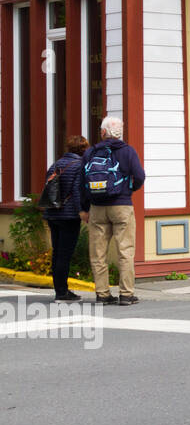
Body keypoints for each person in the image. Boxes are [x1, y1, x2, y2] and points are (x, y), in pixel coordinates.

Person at [80, 117, 146, 306]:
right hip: (121, 205)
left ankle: (102, 294)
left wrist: (84, 209)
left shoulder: (91, 152)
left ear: (102, 133)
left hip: (97, 208)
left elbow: (81, 182)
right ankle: (126, 294)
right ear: (120, 133)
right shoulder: (128, 151)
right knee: (125, 251)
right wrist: (129, 189)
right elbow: (140, 176)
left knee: (98, 253)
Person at [44, 135, 89, 302]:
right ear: (83, 149)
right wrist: (81, 211)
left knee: (57, 253)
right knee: (65, 254)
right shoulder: (79, 165)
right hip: (69, 215)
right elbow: (77, 192)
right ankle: (62, 292)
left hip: (52, 213)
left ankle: (59, 290)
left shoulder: (55, 164)